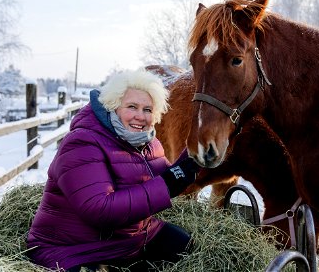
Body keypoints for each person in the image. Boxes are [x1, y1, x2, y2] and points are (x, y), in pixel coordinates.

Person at [27, 70, 200, 271]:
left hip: (130, 238)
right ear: (113, 106)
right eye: (132, 107)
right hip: (76, 247)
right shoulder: (82, 143)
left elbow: (162, 182)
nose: (140, 116)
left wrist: (194, 156)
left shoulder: (149, 143)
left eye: (147, 109)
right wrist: (170, 182)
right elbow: (99, 210)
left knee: (185, 246)